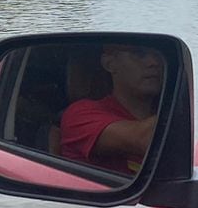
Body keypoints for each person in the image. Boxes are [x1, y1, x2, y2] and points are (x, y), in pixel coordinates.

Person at [59, 44, 163, 175]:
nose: (154, 63)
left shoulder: (160, 111)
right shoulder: (80, 114)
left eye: (159, 55)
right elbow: (149, 140)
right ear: (109, 63)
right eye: (138, 53)